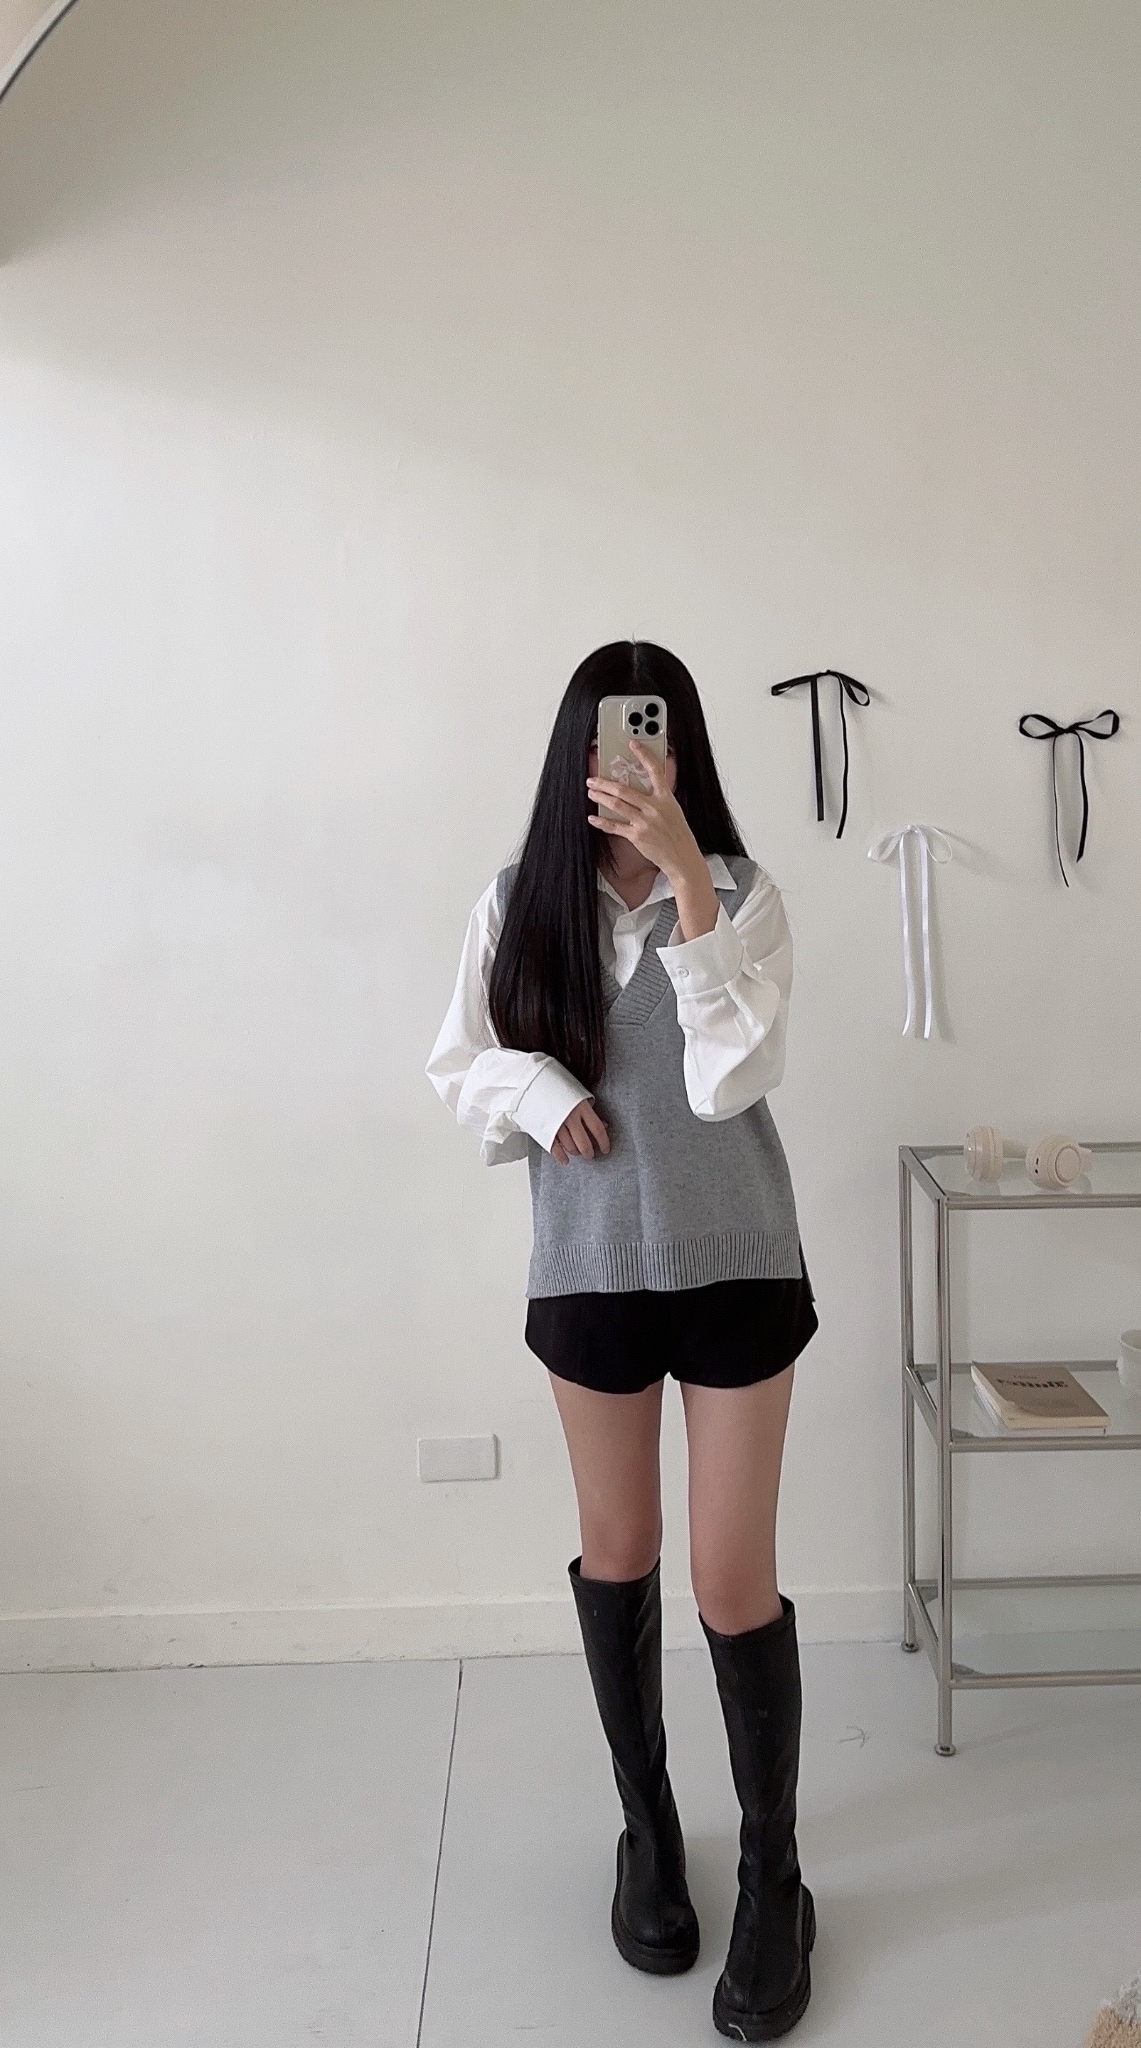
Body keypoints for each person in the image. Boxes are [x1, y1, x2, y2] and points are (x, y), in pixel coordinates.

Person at [427, 640, 816, 2040]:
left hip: (737, 1262)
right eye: (610, 737)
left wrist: (692, 889)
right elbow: (458, 1062)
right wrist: (538, 1093)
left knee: (729, 1576)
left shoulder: (746, 898)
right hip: (591, 1266)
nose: (633, 758)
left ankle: (772, 1877)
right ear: (578, 752)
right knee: (621, 1551)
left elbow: (732, 1079)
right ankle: (648, 1834)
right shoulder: (517, 902)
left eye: (654, 736)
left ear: (681, 749)